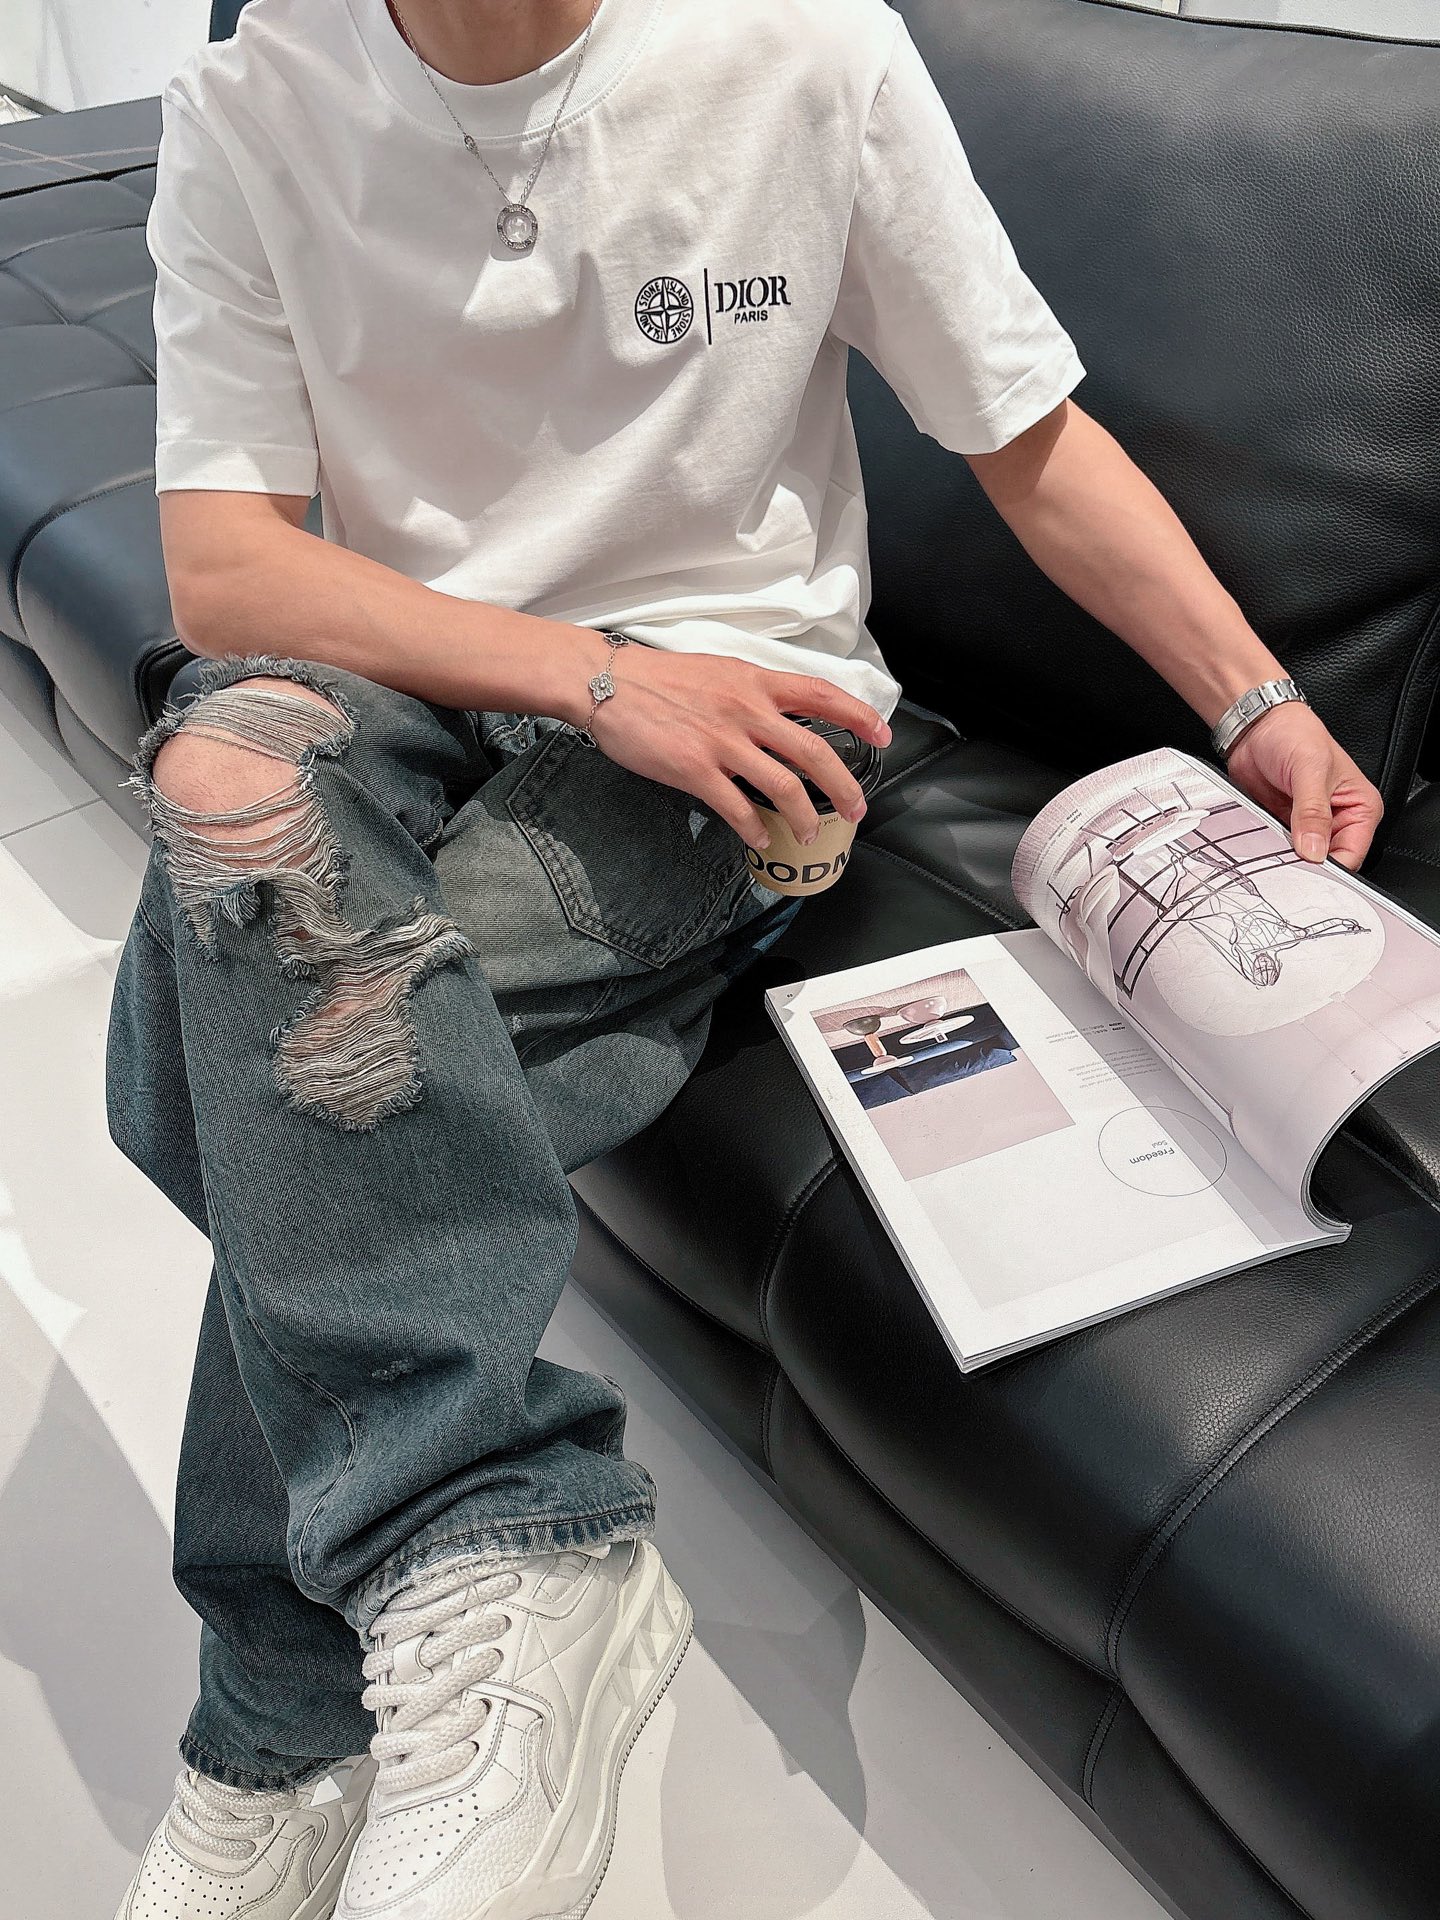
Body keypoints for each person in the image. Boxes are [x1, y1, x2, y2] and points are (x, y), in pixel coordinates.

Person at [107, 0, 1384, 1914]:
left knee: (287, 1056)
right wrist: (589, 675)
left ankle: (269, 1729)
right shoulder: (253, 99)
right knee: (231, 784)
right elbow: (228, 570)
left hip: (748, 716)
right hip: (421, 669)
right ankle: (504, 1535)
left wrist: (1255, 696)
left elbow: (1027, 437)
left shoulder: (803, 52)